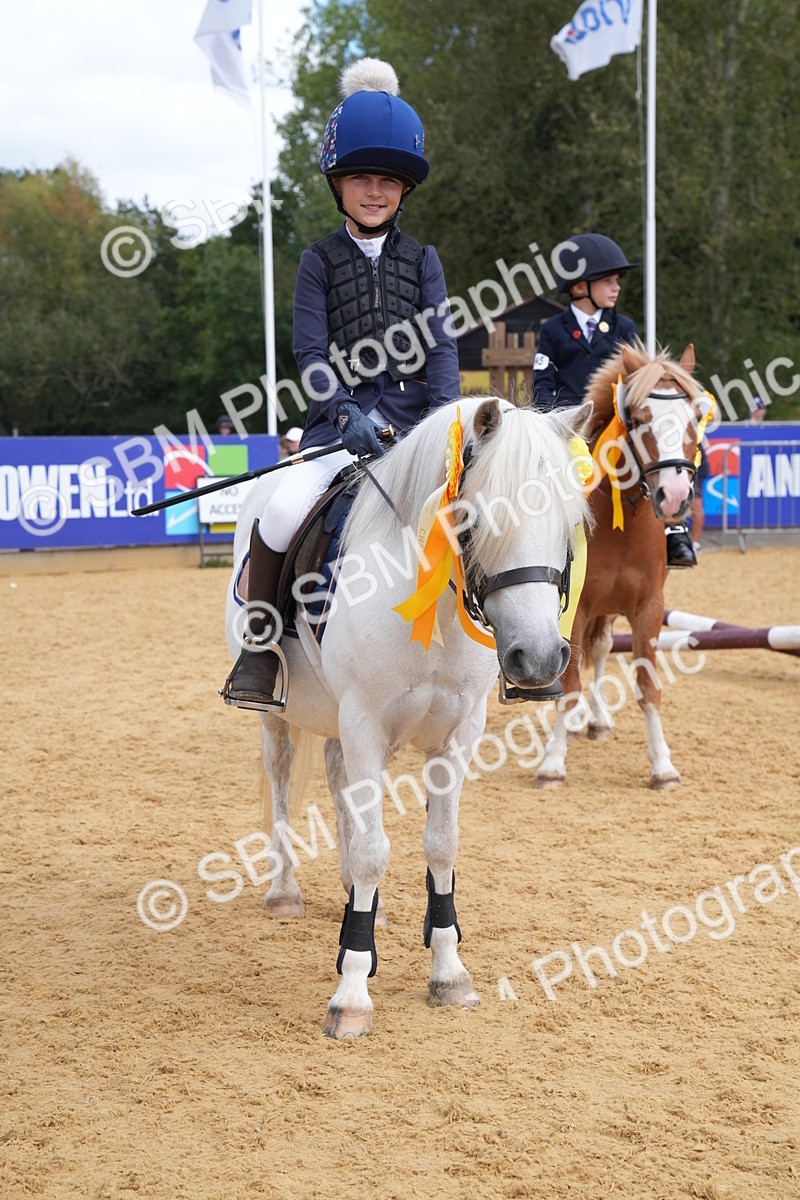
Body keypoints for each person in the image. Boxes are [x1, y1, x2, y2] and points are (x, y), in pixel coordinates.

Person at [223, 57, 461, 709]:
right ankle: (260, 651)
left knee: (484, 514)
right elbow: (309, 350)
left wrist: (443, 428)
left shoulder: (424, 262)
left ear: (404, 188)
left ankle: (506, 645)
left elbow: (441, 351)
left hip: (418, 433)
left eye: (387, 180)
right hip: (338, 432)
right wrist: (342, 410)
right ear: (339, 184)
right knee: (276, 515)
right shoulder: (317, 262)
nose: (375, 191)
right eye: (361, 178)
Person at [533, 233, 697, 569]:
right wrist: (562, 423)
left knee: (665, 448)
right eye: (608, 281)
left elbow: (635, 382)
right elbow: (543, 384)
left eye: (617, 281)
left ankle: (675, 530)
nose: (616, 288)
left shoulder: (624, 326)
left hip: (613, 424)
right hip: (571, 427)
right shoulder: (553, 330)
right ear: (579, 287)